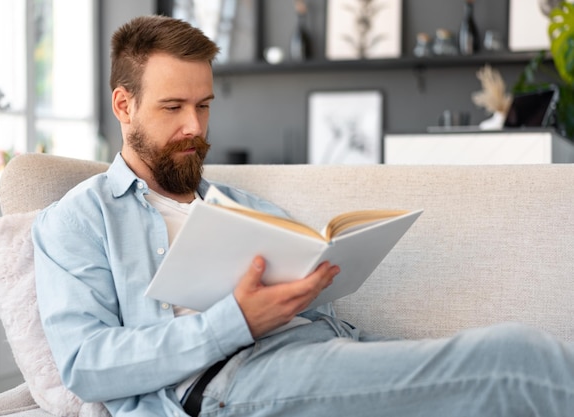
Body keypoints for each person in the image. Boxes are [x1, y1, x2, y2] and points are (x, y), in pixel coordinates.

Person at [32, 15, 574, 417]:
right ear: (123, 106)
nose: (195, 127)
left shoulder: (239, 206)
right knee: (513, 358)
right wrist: (235, 322)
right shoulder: (76, 221)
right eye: (173, 108)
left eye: (204, 105)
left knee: (515, 347)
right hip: (232, 379)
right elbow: (86, 363)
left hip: (326, 348)